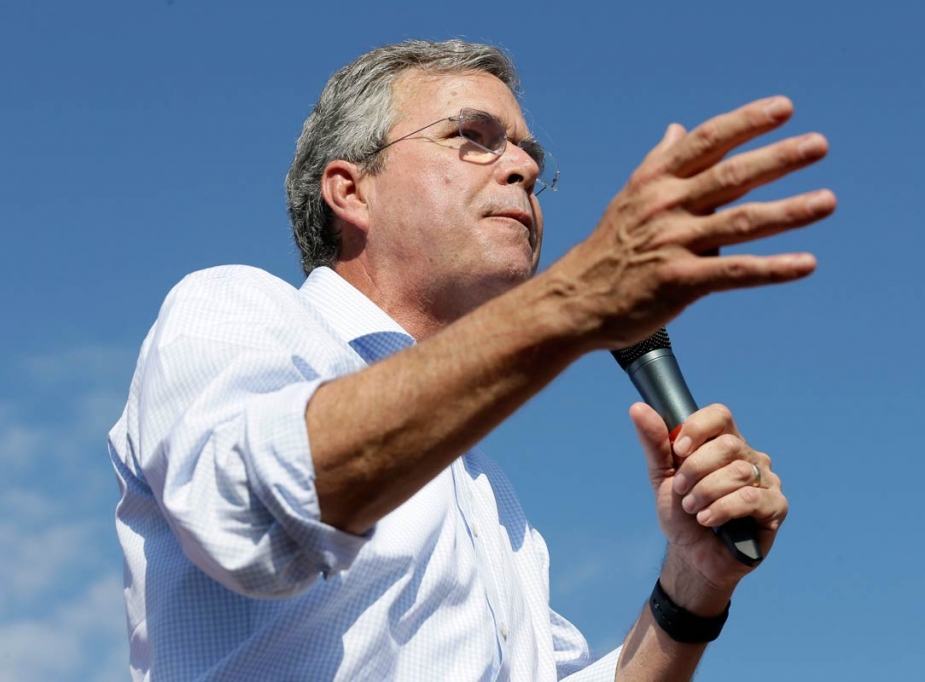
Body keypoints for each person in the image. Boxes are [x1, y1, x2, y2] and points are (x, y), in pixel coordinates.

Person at [109, 39, 834, 681]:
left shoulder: (486, 494)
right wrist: (573, 301)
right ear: (350, 190)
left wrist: (692, 588)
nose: (520, 166)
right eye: (473, 138)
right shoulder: (234, 313)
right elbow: (250, 518)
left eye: (528, 155)